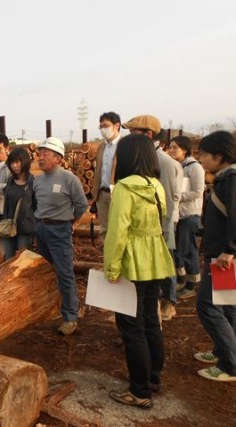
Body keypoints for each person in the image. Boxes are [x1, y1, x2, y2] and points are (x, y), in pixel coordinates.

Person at [104, 134, 176, 408]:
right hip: (156, 258)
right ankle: (153, 379)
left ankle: (139, 391)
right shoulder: (155, 185)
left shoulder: (123, 188)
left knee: (131, 327)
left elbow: (117, 232)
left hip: (133, 262)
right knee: (149, 321)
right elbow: (164, 215)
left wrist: (111, 268)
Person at [123, 115, 182, 322]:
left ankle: (168, 303)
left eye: (134, 133)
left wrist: (163, 236)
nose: (129, 138)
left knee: (162, 273)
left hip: (158, 233)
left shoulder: (164, 163)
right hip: (146, 234)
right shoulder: (146, 160)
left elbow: (166, 202)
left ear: (148, 135)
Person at [34, 137, 88, 335]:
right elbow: (36, 205)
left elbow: (82, 204)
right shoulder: (37, 180)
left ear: (58, 158)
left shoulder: (68, 179)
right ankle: (49, 309)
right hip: (41, 230)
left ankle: (70, 316)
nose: (40, 157)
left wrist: (70, 222)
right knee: (45, 271)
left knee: (64, 273)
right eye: (39, 154)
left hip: (60, 231)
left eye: (45, 154)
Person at [194, 130, 236, 382]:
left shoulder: (231, 181)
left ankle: (231, 364)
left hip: (222, 257)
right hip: (222, 252)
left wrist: (229, 250)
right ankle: (224, 352)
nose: (201, 160)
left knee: (208, 306)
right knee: (227, 305)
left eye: (205, 155)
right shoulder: (224, 179)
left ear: (220, 156)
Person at [166, 135, 205, 299]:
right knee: (178, 250)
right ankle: (182, 280)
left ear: (185, 149)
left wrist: (177, 196)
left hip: (190, 214)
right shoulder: (175, 166)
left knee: (189, 250)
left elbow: (198, 191)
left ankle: (191, 284)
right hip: (177, 214)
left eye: (175, 147)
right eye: (170, 147)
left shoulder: (194, 167)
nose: (172, 150)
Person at [0, 147, 36, 260]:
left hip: (25, 230)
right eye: (12, 163)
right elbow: (6, 204)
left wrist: (36, 234)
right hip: (8, 228)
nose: (14, 166)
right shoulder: (10, 181)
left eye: (17, 162)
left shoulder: (33, 182)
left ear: (24, 162)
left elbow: (37, 207)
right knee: (8, 259)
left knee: (22, 260)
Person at [91, 111, 122, 240]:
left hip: (117, 194)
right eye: (101, 126)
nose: (103, 129)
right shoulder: (101, 147)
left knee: (118, 229)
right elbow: (98, 171)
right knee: (104, 230)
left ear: (116, 125)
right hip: (102, 194)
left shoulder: (124, 146)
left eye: (106, 125)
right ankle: (108, 258)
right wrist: (95, 194)